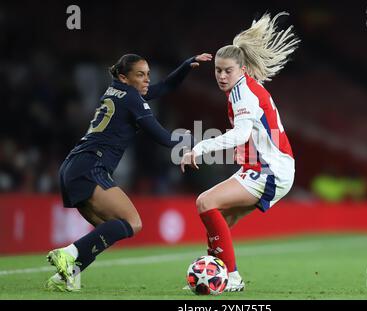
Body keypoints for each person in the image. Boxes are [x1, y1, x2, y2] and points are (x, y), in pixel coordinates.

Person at [45, 52, 212, 292]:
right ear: (124, 77)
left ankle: (66, 275)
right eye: (140, 75)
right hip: (92, 166)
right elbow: (163, 137)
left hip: (74, 166)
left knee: (109, 229)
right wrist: (198, 141)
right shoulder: (132, 99)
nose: (146, 80)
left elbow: (164, 86)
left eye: (148, 75)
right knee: (132, 223)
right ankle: (68, 253)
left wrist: (185, 66)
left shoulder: (115, 91)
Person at [181, 12, 299, 292]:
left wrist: (200, 148)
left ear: (242, 69)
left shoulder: (242, 94)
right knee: (223, 220)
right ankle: (214, 277)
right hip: (266, 168)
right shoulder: (243, 89)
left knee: (204, 203)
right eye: (218, 71)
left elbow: (241, 134)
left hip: (269, 170)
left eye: (227, 71)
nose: (222, 76)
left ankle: (230, 278)